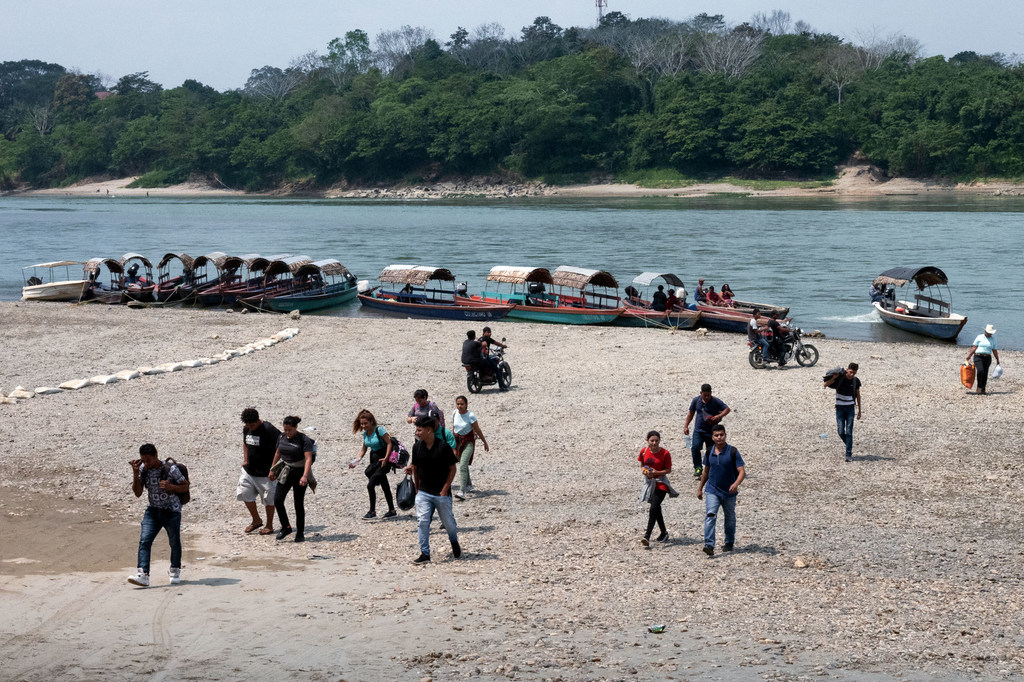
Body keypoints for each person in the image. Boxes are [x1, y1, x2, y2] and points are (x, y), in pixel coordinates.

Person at [128, 443, 189, 587]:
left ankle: (175, 570)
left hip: (171, 511)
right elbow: (137, 493)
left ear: (156, 455)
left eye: (148, 460)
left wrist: (171, 487)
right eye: (143, 460)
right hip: (153, 511)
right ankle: (143, 574)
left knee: (174, 542)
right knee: (144, 541)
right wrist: (135, 473)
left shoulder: (170, 469)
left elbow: (185, 485)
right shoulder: (143, 469)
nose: (146, 463)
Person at [409, 415, 461, 564]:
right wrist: (417, 488)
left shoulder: (443, 447)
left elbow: (452, 469)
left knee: (449, 523)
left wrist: (445, 489)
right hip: (424, 492)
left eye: (419, 430)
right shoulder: (416, 446)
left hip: (441, 493)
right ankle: (425, 553)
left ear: (429, 430)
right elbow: (416, 467)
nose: (417, 433)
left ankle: (454, 541)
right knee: (422, 521)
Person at [697, 425, 745, 557]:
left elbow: (742, 471)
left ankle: (729, 542)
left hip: (729, 492)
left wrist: (736, 483)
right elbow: (706, 471)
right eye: (716, 435)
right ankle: (709, 545)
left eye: (721, 435)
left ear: (725, 435)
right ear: (712, 437)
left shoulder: (733, 451)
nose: (719, 437)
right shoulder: (709, 452)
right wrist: (700, 488)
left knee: (729, 518)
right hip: (712, 490)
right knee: (710, 515)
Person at [268, 416, 314, 542]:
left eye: (290, 430)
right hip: (286, 471)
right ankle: (286, 527)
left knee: (298, 503)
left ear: (295, 427)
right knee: (278, 500)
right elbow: (278, 453)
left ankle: (300, 532)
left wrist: (305, 476)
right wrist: (272, 469)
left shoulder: (303, 439)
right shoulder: (282, 437)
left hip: (300, 472)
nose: (287, 432)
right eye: (285, 429)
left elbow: (308, 459)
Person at [238, 408, 281, 535]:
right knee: (244, 493)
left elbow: (280, 447)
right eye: (247, 425)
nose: (249, 427)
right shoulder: (246, 429)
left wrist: (274, 468)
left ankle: (269, 525)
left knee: (269, 499)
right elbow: (245, 443)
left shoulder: (269, 429)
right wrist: (245, 459)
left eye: (252, 424)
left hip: (266, 473)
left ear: (258, 420)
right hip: (249, 470)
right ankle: (256, 520)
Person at [352, 409, 396, 520]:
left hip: (383, 459)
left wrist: (386, 458)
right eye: (362, 424)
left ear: (371, 421)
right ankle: (392, 510)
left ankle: (372, 512)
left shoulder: (379, 430)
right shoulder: (366, 434)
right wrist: (356, 461)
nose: (363, 426)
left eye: (365, 423)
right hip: (374, 459)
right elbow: (364, 449)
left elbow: (389, 443)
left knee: (370, 485)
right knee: (384, 484)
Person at [684, 384, 731, 478]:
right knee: (695, 447)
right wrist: (686, 426)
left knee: (710, 450)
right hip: (698, 430)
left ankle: (709, 468)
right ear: (701, 393)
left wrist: (719, 416)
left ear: (711, 393)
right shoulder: (696, 400)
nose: (706, 397)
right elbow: (691, 413)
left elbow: (727, 409)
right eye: (704, 395)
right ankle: (698, 467)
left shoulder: (715, 401)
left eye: (708, 395)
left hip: (711, 431)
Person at [638, 430, 672, 547]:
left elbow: (668, 470)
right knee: (656, 509)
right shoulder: (644, 451)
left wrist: (657, 472)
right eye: (652, 441)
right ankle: (664, 532)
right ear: (647, 440)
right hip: (649, 484)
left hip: (661, 483)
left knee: (653, 508)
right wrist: (644, 471)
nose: (654, 443)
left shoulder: (665, 453)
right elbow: (642, 464)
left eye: (656, 441)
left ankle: (647, 535)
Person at [452, 395, 489, 500]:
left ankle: (462, 491)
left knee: (463, 465)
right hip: (457, 442)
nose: (459, 406)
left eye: (462, 404)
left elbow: (477, 429)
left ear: (466, 405)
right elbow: (454, 427)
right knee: (462, 463)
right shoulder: (454, 413)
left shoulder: (470, 415)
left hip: (468, 442)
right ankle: (469, 485)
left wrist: (484, 442)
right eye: (458, 404)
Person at [824, 363, 862, 461]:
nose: (852, 375)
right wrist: (834, 378)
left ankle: (848, 454)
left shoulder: (855, 381)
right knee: (840, 432)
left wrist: (859, 411)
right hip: (840, 409)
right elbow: (825, 384)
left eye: (854, 373)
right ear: (847, 370)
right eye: (850, 372)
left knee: (849, 432)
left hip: (850, 409)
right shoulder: (839, 378)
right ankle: (849, 445)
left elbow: (858, 395)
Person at [966, 324, 1001, 395]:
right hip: (978, 356)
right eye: (988, 332)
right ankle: (979, 387)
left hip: (987, 357)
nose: (989, 334)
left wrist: (997, 359)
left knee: (985, 373)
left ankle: (983, 389)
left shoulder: (993, 339)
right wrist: (969, 355)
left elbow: (994, 350)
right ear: (985, 331)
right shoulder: (979, 337)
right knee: (980, 370)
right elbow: (974, 347)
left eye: (991, 333)